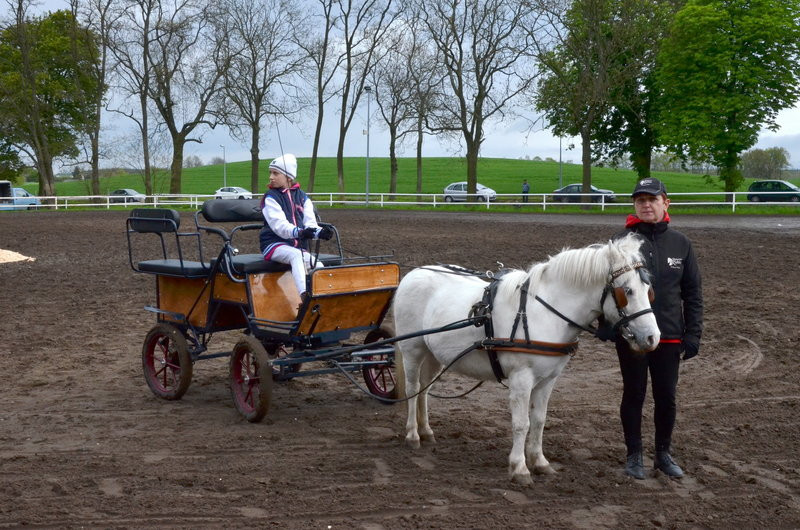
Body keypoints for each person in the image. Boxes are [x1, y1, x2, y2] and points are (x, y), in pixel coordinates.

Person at [611, 177, 703, 480]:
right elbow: (606, 290)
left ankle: (663, 454)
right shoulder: (621, 243)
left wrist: (693, 334)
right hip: (633, 336)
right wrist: (606, 326)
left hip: (670, 334)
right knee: (633, 394)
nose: (646, 205)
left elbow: (692, 293)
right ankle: (634, 454)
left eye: (652, 199)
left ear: (666, 202)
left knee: (666, 396)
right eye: (640, 200)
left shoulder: (681, 243)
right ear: (634, 205)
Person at [259, 153, 332, 302]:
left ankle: (325, 298)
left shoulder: (303, 197)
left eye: (275, 173)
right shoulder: (270, 197)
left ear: (288, 177)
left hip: (297, 247)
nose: (271, 177)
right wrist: (300, 232)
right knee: (296, 256)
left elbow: (310, 224)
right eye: (270, 173)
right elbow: (279, 226)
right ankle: (305, 297)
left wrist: (320, 233)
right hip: (274, 245)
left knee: (318, 264)